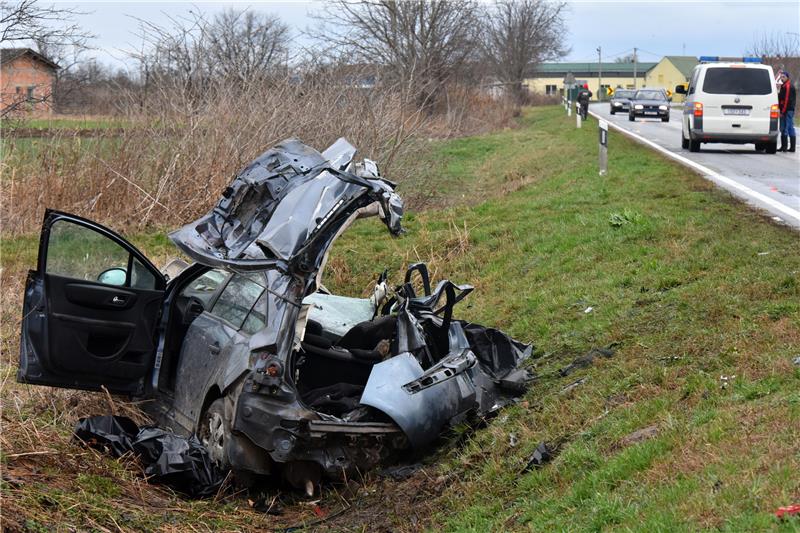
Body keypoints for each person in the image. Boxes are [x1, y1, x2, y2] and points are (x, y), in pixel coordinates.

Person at [777, 71, 796, 152]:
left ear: (787, 77)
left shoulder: (788, 86)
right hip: (787, 109)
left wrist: (782, 112)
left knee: (785, 128)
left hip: (787, 110)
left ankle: (784, 147)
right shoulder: (783, 86)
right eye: (781, 77)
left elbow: (787, 100)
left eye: (784, 77)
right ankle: (792, 148)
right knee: (790, 127)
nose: (782, 78)